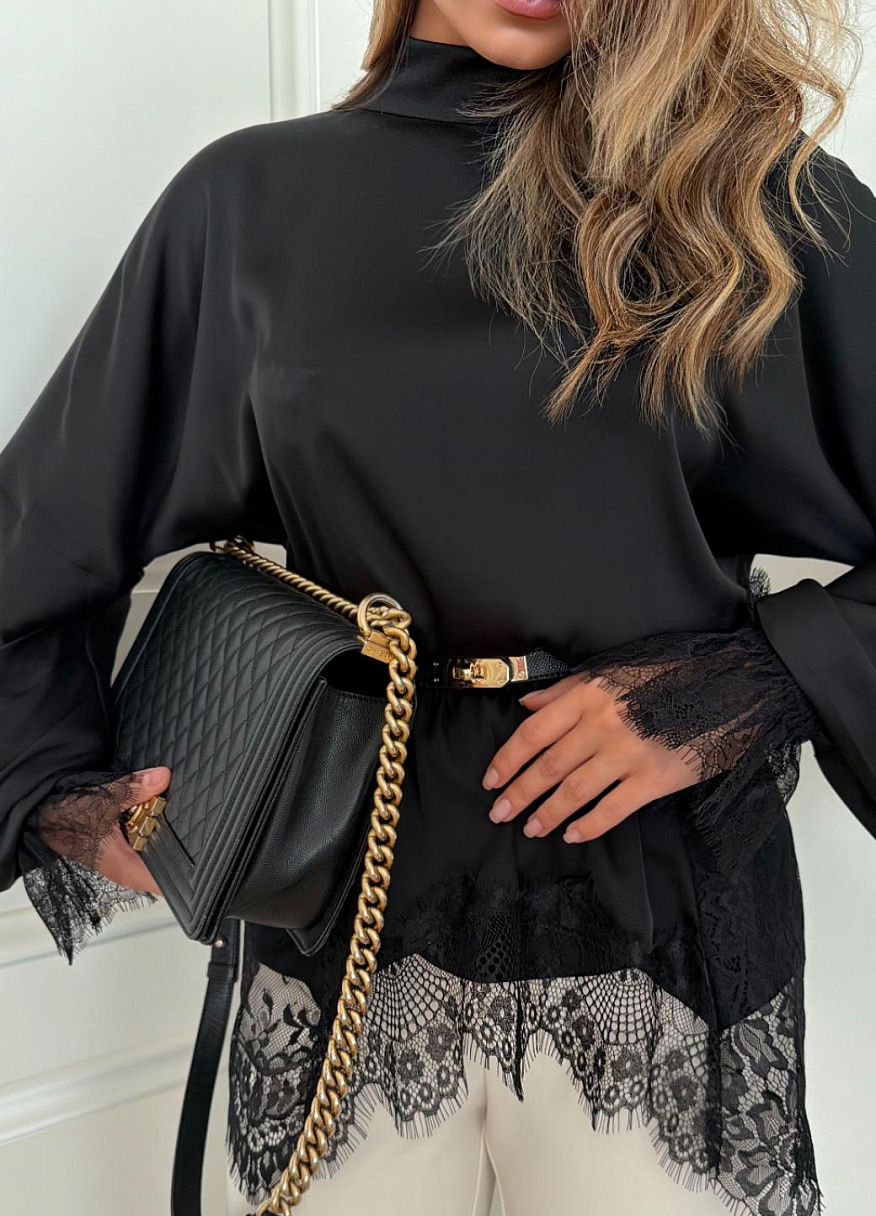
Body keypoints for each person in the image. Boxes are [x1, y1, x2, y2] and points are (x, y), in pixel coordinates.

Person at [1, 0, 874, 1213]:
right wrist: (56, 787)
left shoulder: (747, 200)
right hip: (342, 925)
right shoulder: (249, 200)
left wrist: (752, 684)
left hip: (658, 939)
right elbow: (40, 531)